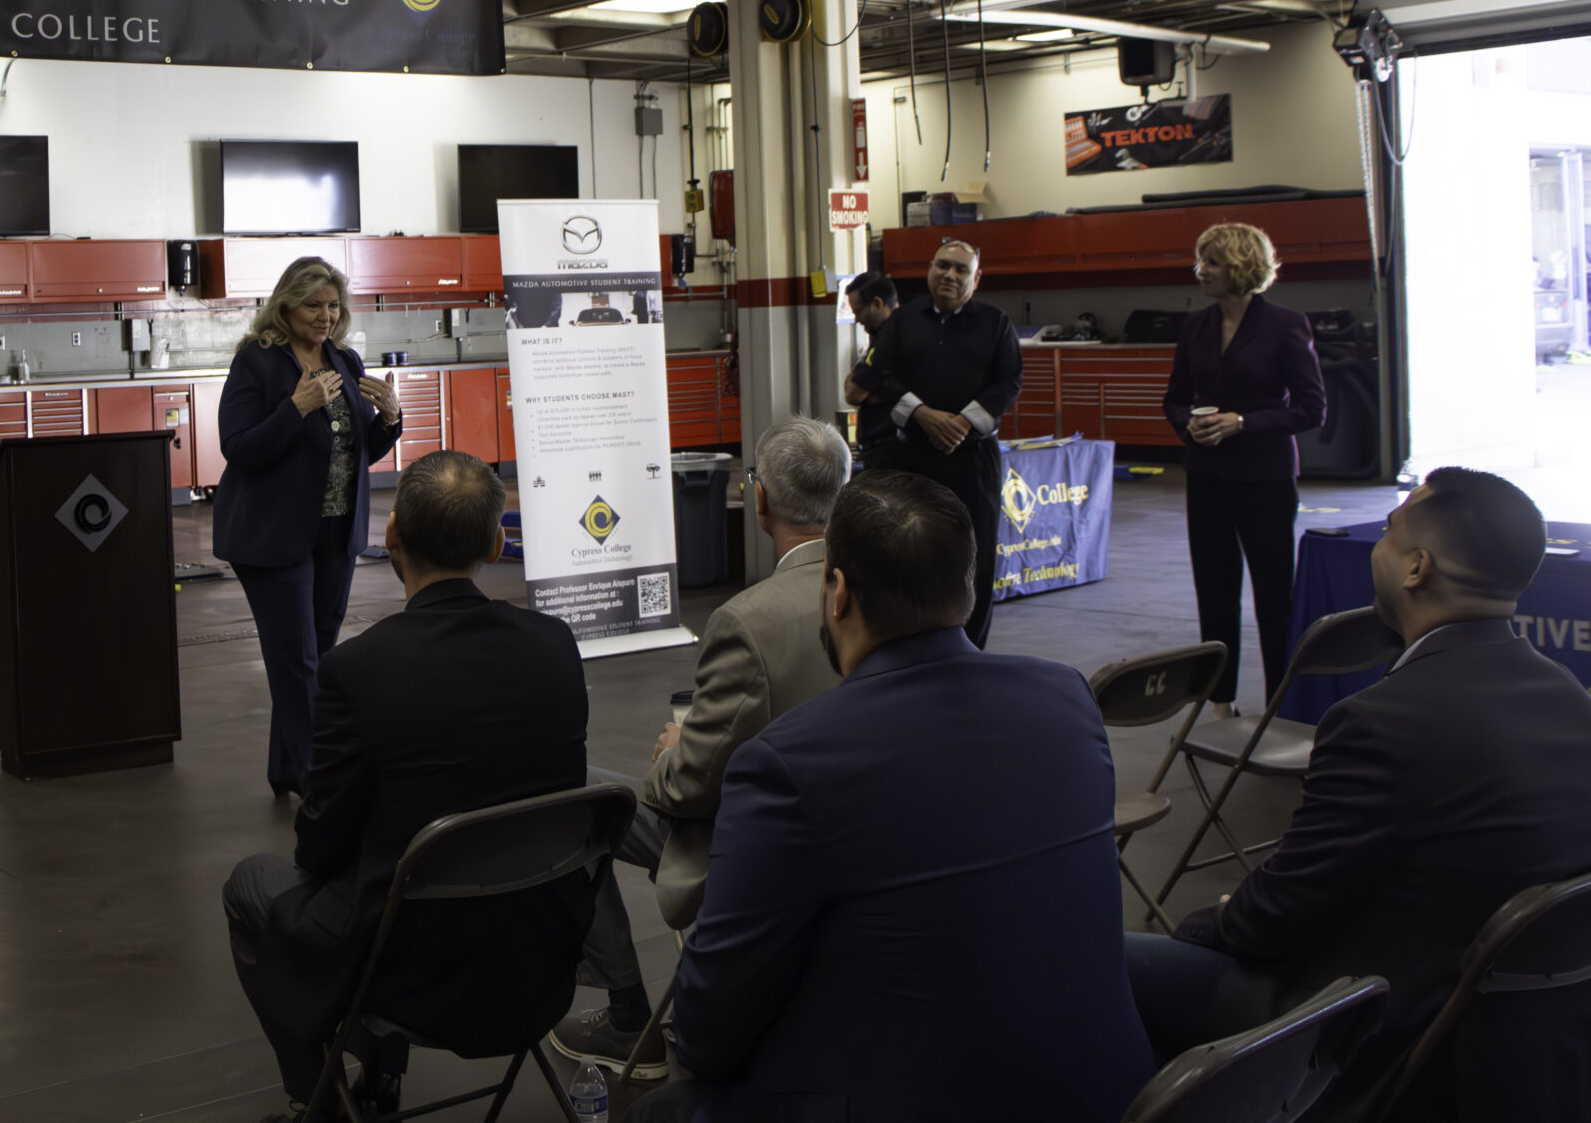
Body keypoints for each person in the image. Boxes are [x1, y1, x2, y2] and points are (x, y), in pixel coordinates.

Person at [648, 470, 1153, 1122]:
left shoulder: (786, 763)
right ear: (968, 590)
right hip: (1106, 1093)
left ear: (835, 593)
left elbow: (709, 1031)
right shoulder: (1066, 696)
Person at [1125, 469, 1591, 1122]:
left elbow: (1270, 922)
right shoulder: (1569, 695)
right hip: (1511, 1036)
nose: (1380, 545)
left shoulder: (1382, 722)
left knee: (1106, 961)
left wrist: (1202, 924)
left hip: (1370, 1027)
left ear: (1417, 568)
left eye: (1390, 534)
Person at [222, 451, 593, 1122]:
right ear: (497, 540)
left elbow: (318, 850)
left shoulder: (356, 671)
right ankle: (378, 1081)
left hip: (405, 973)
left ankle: (320, 1100)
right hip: (539, 966)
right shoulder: (554, 645)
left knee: (253, 882)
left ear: (391, 535)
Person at [550, 415, 849, 1077]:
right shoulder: (881, 590)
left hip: (757, 853)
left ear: (760, 499)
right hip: (855, 842)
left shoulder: (750, 620)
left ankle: (631, 1019)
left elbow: (688, 789)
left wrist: (670, 753)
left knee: (572, 795)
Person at [214, 256, 404, 798]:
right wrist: (294, 409)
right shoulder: (258, 361)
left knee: (315, 655)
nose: (325, 316)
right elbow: (239, 447)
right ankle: (319, 783)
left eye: (333, 305)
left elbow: (358, 448)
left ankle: (286, 767)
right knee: (297, 660)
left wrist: (389, 418)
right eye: (313, 305)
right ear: (286, 306)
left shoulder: (343, 359)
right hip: (273, 535)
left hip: (334, 531)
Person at [1161, 222, 1326, 713]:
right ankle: (1219, 700)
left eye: (1211, 262)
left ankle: (1280, 699)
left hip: (1266, 478)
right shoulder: (1195, 326)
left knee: (1274, 595)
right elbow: (1174, 399)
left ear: (1240, 267)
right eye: (1200, 260)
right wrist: (1190, 424)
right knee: (1213, 590)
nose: (1200, 271)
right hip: (1207, 476)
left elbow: (1311, 410)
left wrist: (1243, 423)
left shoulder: (1286, 324)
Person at [853, 240, 1022, 648]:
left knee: (975, 559)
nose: (949, 275)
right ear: (929, 269)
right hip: (912, 458)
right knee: (912, 551)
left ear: (976, 278)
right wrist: (922, 414)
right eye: (942, 266)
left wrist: (963, 424)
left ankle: (972, 652)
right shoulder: (903, 322)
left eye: (961, 269)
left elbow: (1009, 383)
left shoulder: (996, 323)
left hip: (973, 460)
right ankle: (914, 650)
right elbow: (877, 376)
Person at [840, 270, 901, 460]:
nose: (857, 320)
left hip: (891, 451)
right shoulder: (880, 335)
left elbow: (854, 394)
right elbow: (855, 388)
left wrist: (873, 391)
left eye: (858, 312)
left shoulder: (892, 337)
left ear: (877, 303)